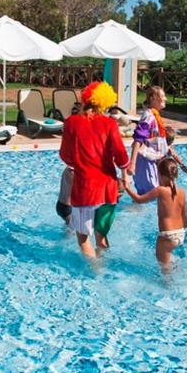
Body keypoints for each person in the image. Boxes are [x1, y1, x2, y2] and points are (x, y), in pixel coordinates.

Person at [59, 81, 130, 259]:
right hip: (108, 189)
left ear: (84, 100)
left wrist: (77, 162)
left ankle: (95, 271)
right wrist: (124, 173)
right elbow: (121, 155)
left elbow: (65, 155)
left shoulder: (71, 123)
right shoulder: (110, 124)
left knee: (83, 238)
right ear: (104, 102)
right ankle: (104, 264)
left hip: (85, 190)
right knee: (101, 235)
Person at [123, 158, 187, 268]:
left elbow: (139, 200)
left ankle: (168, 284)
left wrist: (127, 188)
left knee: (164, 268)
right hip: (180, 233)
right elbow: (184, 213)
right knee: (169, 261)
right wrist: (186, 224)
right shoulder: (181, 191)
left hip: (167, 235)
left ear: (161, 175)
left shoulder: (160, 190)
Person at [128, 86, 169, 194]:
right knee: (149, 193)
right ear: (154, 97)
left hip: (151, 160)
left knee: (150, 194)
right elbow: (138, 139)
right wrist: (132, 163)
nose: (166, 99)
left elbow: (156, 138)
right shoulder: (148, 116)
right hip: (145, 160)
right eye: (163, 96)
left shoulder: (155, 115)